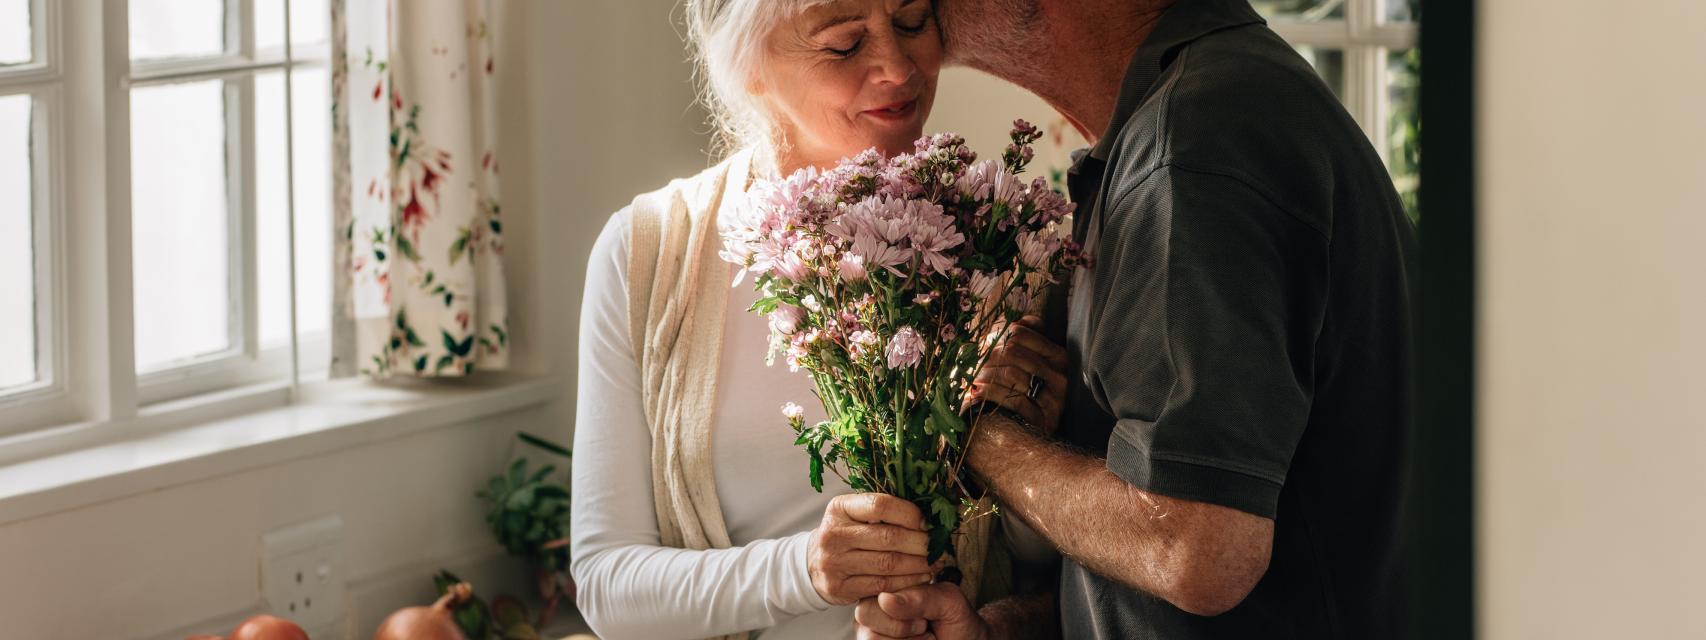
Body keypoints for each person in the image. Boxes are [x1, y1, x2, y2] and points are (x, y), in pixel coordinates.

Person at [854, 0, 1417, 638]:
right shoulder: (1186, 119)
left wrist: (972, 431)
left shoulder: (1195, 144)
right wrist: (1003, 630)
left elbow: (1197, 553)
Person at [570, 1, 974, 638]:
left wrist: (1026, 427)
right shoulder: (648, 251)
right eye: (844, 45)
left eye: (913, 20)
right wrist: (804, 569)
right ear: (747, 68)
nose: (897, 67)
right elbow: (606, 585)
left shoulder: (994, 242)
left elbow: (1042, 570)